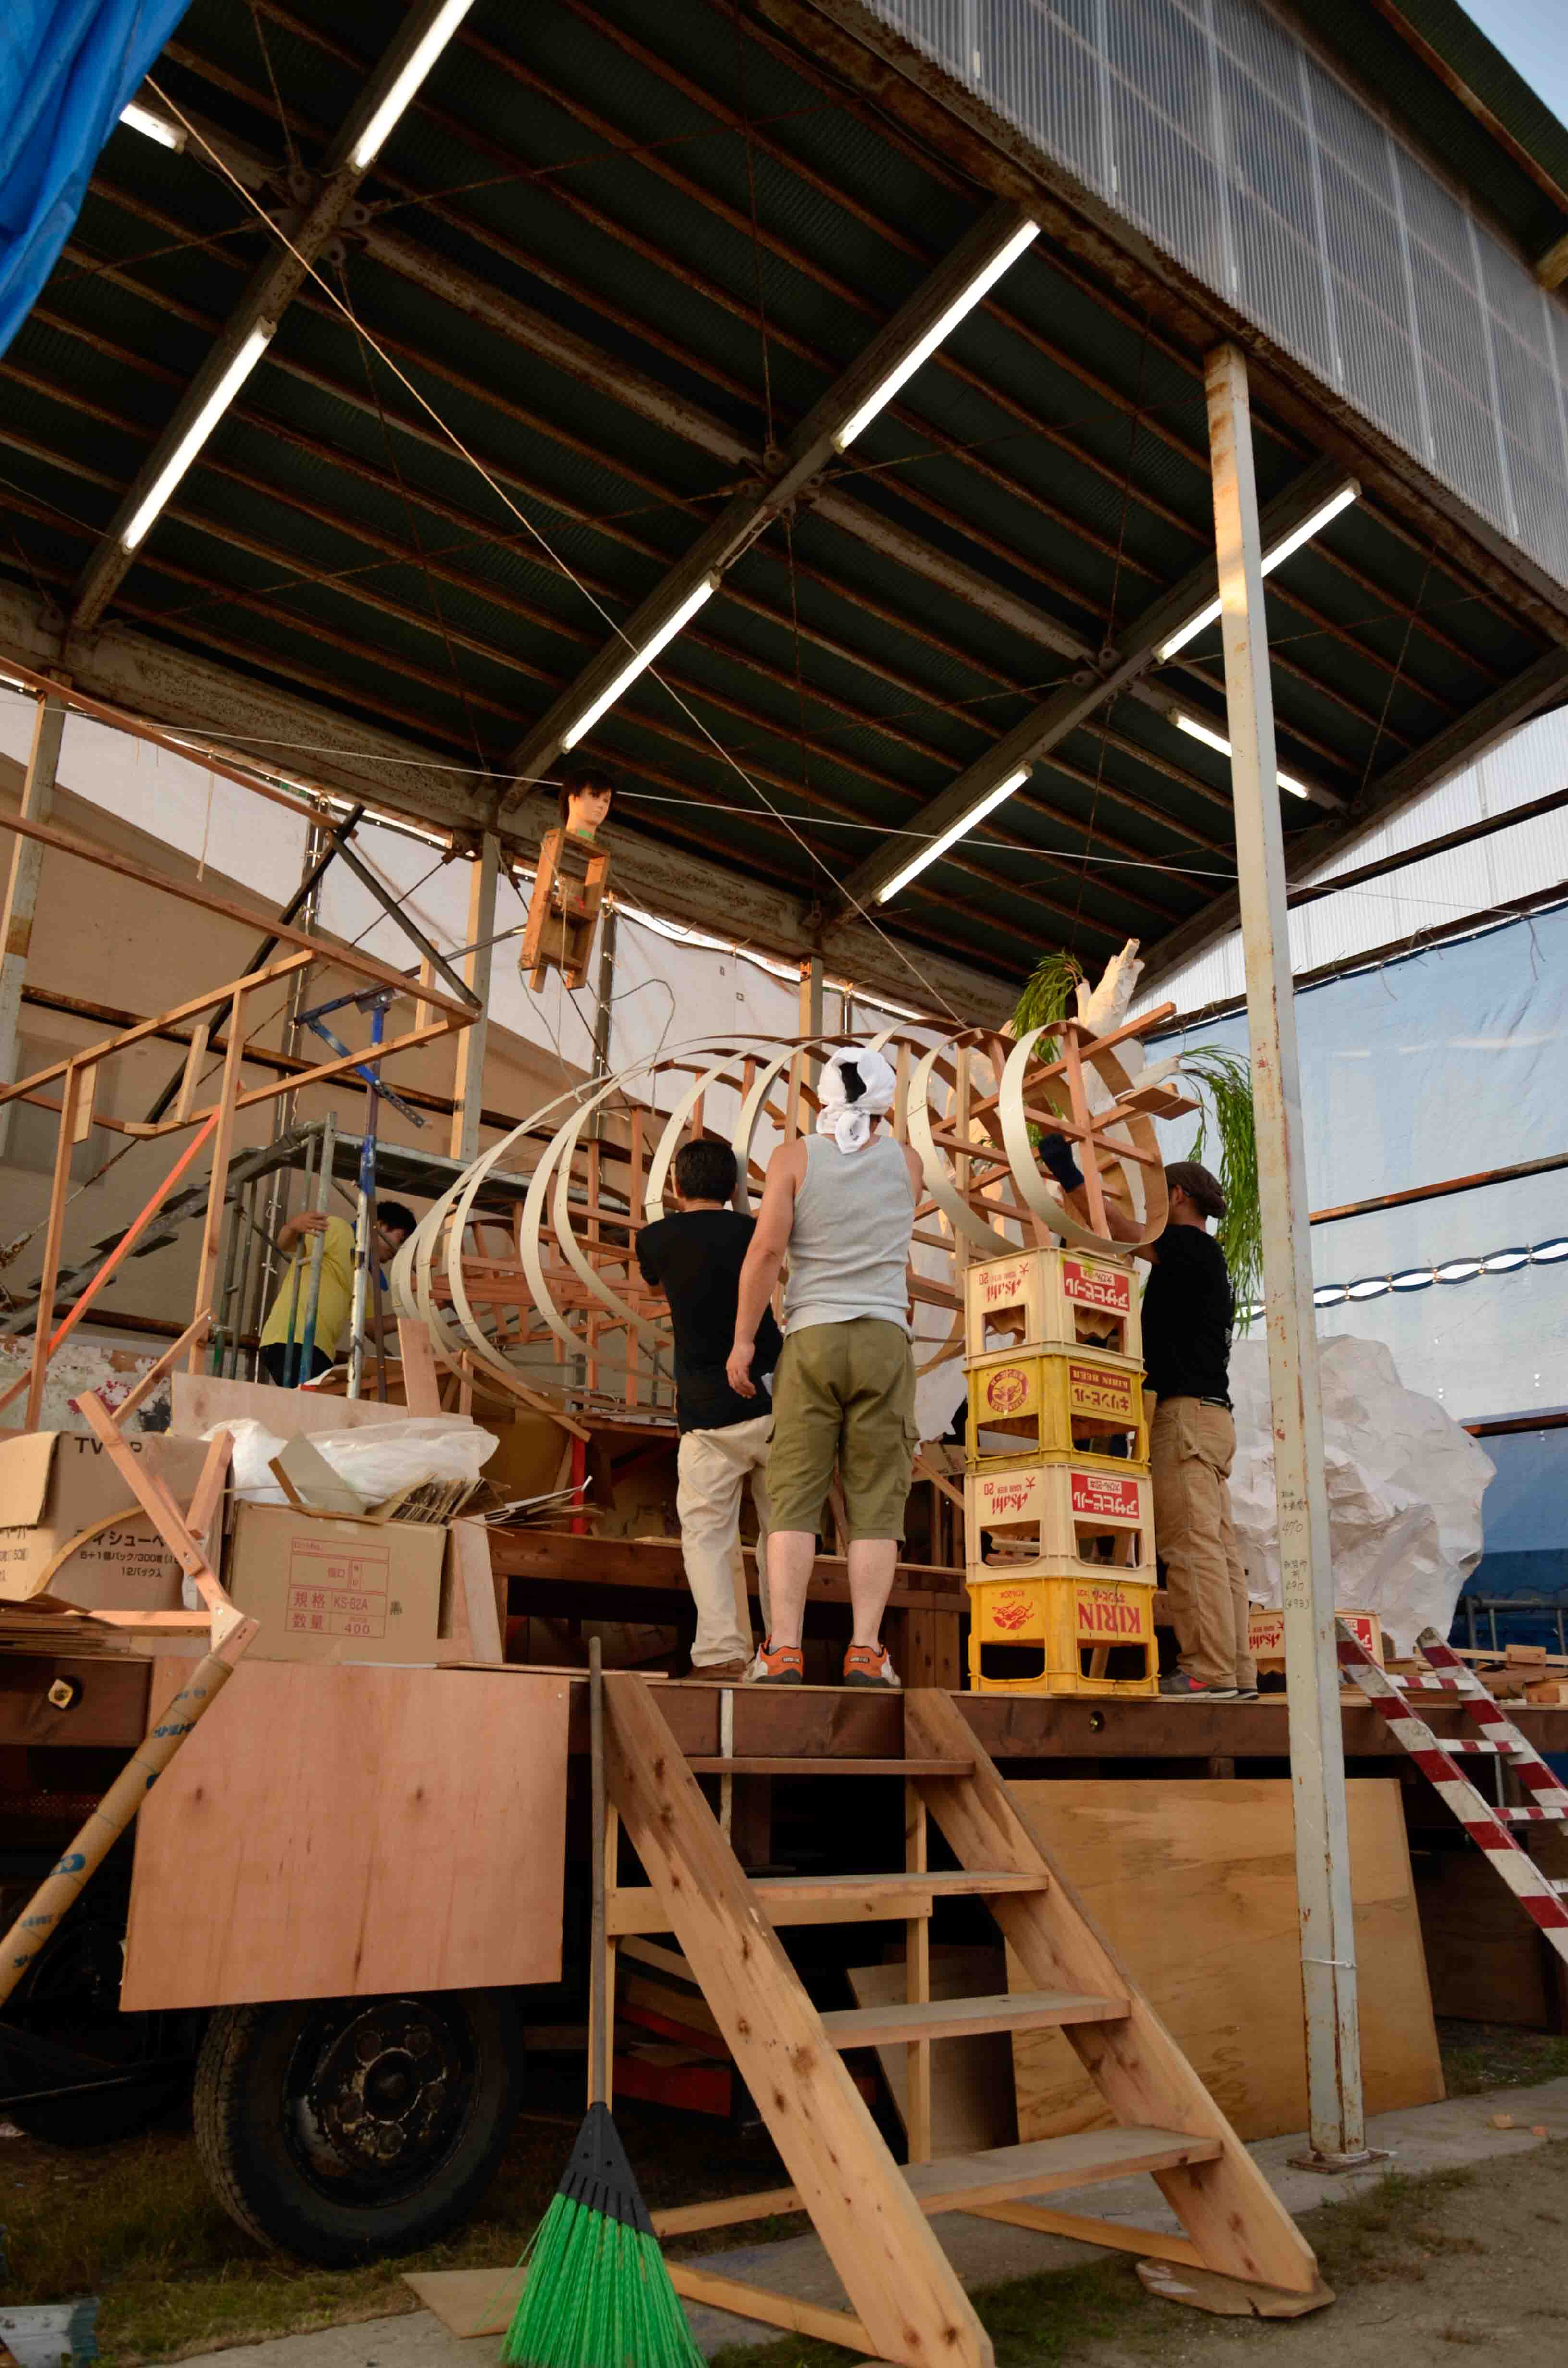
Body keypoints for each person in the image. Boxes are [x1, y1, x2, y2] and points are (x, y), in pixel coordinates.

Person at [726, 1048, 924, 1688]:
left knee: (794, 1497)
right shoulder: (910, 1164)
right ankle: (865, 1651)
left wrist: (744, 1342)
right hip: (885, 1340)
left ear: (820, 1097)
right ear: (887, 1101)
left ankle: (784, 1649)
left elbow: (766, 1252)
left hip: (811, 1337)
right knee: (875, 1505)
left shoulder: (793, 1158)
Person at [1040, 1138, 1255, 1701]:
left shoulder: (1186, 1246)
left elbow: (1121, 1229)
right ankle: (1234, 1671)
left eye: (1162, 1196)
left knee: (1190, 1547)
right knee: (1217, 1549)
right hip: (1210, 1418)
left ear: (1177, 1195)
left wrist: (1069, 1174)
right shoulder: (1203, 1257)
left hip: (1184, 1418)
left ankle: (1207, 1670)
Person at [636, 1140, 782, 1682]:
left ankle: (723, 1652)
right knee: (783, 1530)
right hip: (773, 1392)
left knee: (707, 1531)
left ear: (676, 1184)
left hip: (703, 1405)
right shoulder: (755, 1231)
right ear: (736, 1187)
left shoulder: (653, 1238)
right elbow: (758, 1248)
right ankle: (782, 1650)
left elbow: (657, 1281)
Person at [257, 1200, 418, 1386]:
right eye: (400, 1241)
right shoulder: (339, 1229)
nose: (397, 1252)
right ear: (381, 1226)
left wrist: (418, 1309)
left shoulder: (363, 1274)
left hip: (317, 1350)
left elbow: (372, 1327)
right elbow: (284, 1243)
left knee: (315, 1407)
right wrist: (293, 1227)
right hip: (292, 1340)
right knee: (315, 1406)